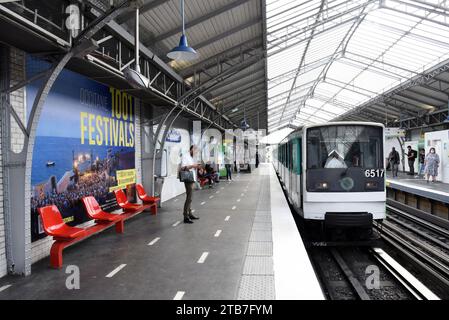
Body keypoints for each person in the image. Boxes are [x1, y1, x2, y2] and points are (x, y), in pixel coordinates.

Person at [180, 145, 200, 224]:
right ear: (191, 149)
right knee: (189, 198)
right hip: (188, 179)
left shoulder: (192, 157)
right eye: (195, 151)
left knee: (190, 198)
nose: (196, 153)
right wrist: (192, 166)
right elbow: (183, 168)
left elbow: (192, 167)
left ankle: (190, 214)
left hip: (192, 178)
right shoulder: (185, 156)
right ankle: (185, 216)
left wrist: (196, 167)